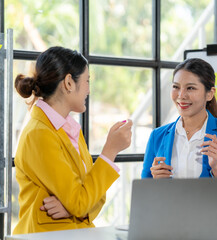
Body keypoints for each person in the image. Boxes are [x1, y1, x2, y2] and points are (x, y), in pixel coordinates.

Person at [13, 46, 132, 234]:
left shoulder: (69, 129)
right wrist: (110, 151)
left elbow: (95, 197)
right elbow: (81, 200)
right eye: (87, 81)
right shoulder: (39, 134)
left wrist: (72, 209)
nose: (89, 90)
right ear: (69, 82)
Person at [141, 58, 217, 199]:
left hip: (211, 218)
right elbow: (144, 194)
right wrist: (156, 182)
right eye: (176, 87)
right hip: (168, 218)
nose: (181, 95)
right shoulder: (157, 136)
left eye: (190, 88)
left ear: (209, 94)